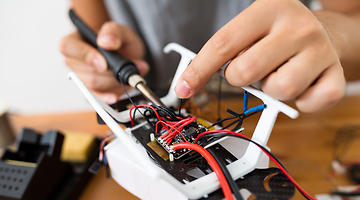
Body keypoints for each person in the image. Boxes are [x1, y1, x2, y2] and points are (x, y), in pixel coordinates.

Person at [60, 0, 360, 113]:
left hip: (290, 120)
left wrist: (332, 33)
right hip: (154, 115)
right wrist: (103, 70)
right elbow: (98, 45)